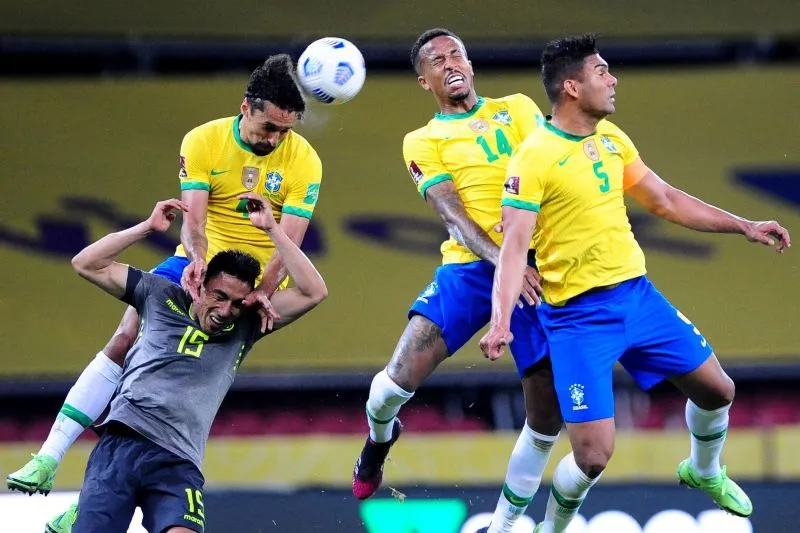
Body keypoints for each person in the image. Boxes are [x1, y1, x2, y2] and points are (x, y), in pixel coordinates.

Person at [480, 34, 791, 532]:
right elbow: (514, 248)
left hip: (637, 298)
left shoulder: (612, 140)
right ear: (572, 86)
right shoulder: (533, 157)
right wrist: (500, 323)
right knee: (594, 455)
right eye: (601, 71)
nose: (613, 78)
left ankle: (704, 469)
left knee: (718, 391)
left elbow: (666, 200)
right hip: (578, 320)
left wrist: (744, 225)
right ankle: (553, 528)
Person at [7, 54, 322, 532]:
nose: (274, 140)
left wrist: (261, 293)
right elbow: (194, 220)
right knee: (127, 334)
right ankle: (49, 457)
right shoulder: (204, 140)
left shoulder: (304, 159)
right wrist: (196, 263)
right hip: (198, 259)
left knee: (199, 370)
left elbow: (290, 243)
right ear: (246, 106)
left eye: (285, 131)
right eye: (268, 127)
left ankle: (94, 495)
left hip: (253, 275)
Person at [352, 28, 563, 533]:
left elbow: (554, 168)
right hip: (470, 267)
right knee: (392, 386)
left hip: (540, 264)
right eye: (436, 60)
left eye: (456, 55)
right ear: (423, 80)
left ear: (470, 64)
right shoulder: (422, 140)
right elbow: (452, 214)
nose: (449, 64)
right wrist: (504, 262)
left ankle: (507, 523)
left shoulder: (517, 108)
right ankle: (378, 443)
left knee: (546, 416)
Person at [65, 194, 326, 532]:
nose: (225, 310)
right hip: (121, 447)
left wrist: (274, 230)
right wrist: (147, 227)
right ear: (199, 283)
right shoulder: (158, 295)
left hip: (178, 462)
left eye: (236, 302)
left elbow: (314, 292)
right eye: (219, 296)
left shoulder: (247, 325)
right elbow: (86, 263)